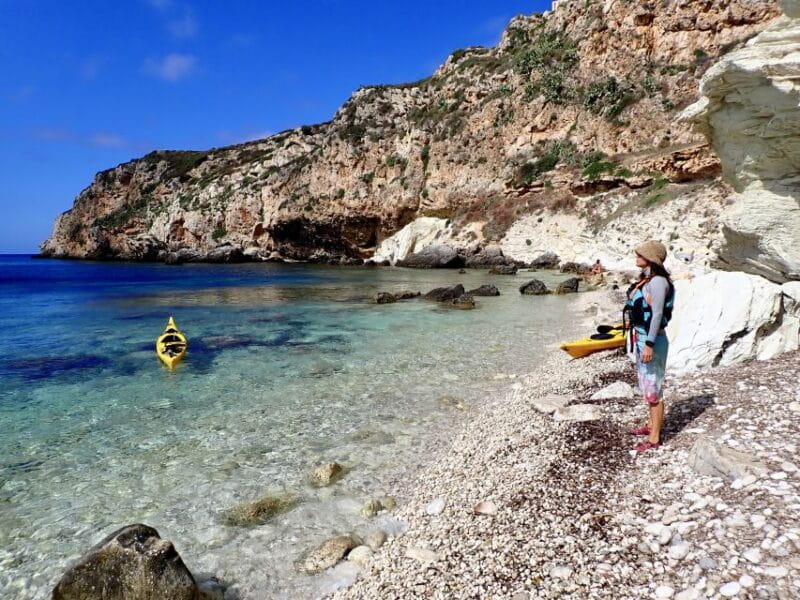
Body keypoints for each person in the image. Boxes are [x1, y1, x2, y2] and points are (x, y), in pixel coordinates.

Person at [624, 240, 674, 452]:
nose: (636, 256)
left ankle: (655, 439)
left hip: (651, 339)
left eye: (640, 254)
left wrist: (649, 344)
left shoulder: (658, 282)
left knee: (654, 390)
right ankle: (652, 425)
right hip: (642, 337)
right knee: (648, 386)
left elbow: (658, 314)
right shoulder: (648, 279)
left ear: (651, 258)